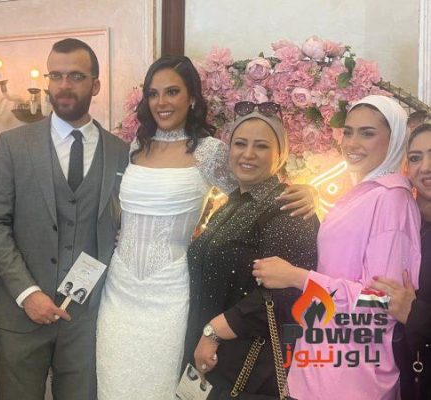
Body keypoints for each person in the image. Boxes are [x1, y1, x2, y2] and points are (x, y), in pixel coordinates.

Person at [95, 55, 314, 400]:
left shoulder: (209, 152)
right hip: (119, 290)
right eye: (153, 93)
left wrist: (306, 191)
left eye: (172, 92)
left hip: (170, 291)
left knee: (160, 385)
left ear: (192, 98)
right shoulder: (136, 147)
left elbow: (254, 186)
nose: (162, 102)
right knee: (112, 381)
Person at [0, 38, 129, 400]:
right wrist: (27, 293)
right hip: (21, 314)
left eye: (75, 76)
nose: (64, 85)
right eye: (56, 75)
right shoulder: (13, 144)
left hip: (87, 318)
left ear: (95, 85)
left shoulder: (121, 152)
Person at [252, 95, 421, 400]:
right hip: (323, 362)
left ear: (394, 139)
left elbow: (380, 304)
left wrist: (297, 277)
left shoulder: (392, 200)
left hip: (353, 376)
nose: (352, 143)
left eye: (367, 133)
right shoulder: (364, 193)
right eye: (348, 132)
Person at [184, 111, 319, 398]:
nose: (248, 154)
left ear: (281, 155)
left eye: (261, 146)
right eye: (240, 143)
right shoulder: (232, 203)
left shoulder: (289, 209)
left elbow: (285, 293)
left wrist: (214, 331)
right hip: (212, 355)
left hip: (249, 366)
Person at [371, 122, 431, 399]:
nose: (425, 167)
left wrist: (415, 313)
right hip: (394, 375)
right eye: (416, 158)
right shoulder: (401, 220)